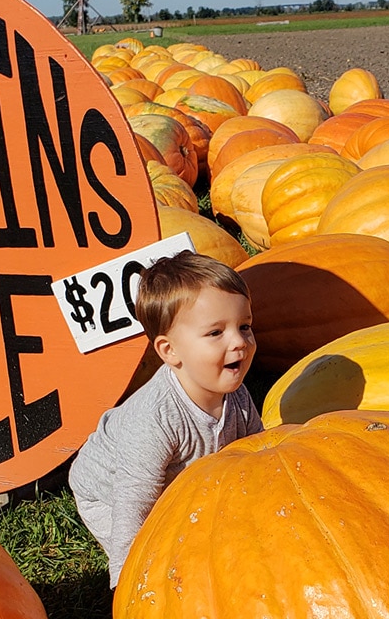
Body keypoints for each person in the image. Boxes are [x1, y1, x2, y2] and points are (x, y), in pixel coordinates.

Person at [69, 250, 263, 588]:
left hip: (175, 481)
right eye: (215, 333)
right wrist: (127, 587)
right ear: (169, 351)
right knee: (159, 556)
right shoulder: (155, 419)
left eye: (244, 326)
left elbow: (258, 456)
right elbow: (133, 507)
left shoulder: (238, 397)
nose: (239, 342)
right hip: (107, 493)